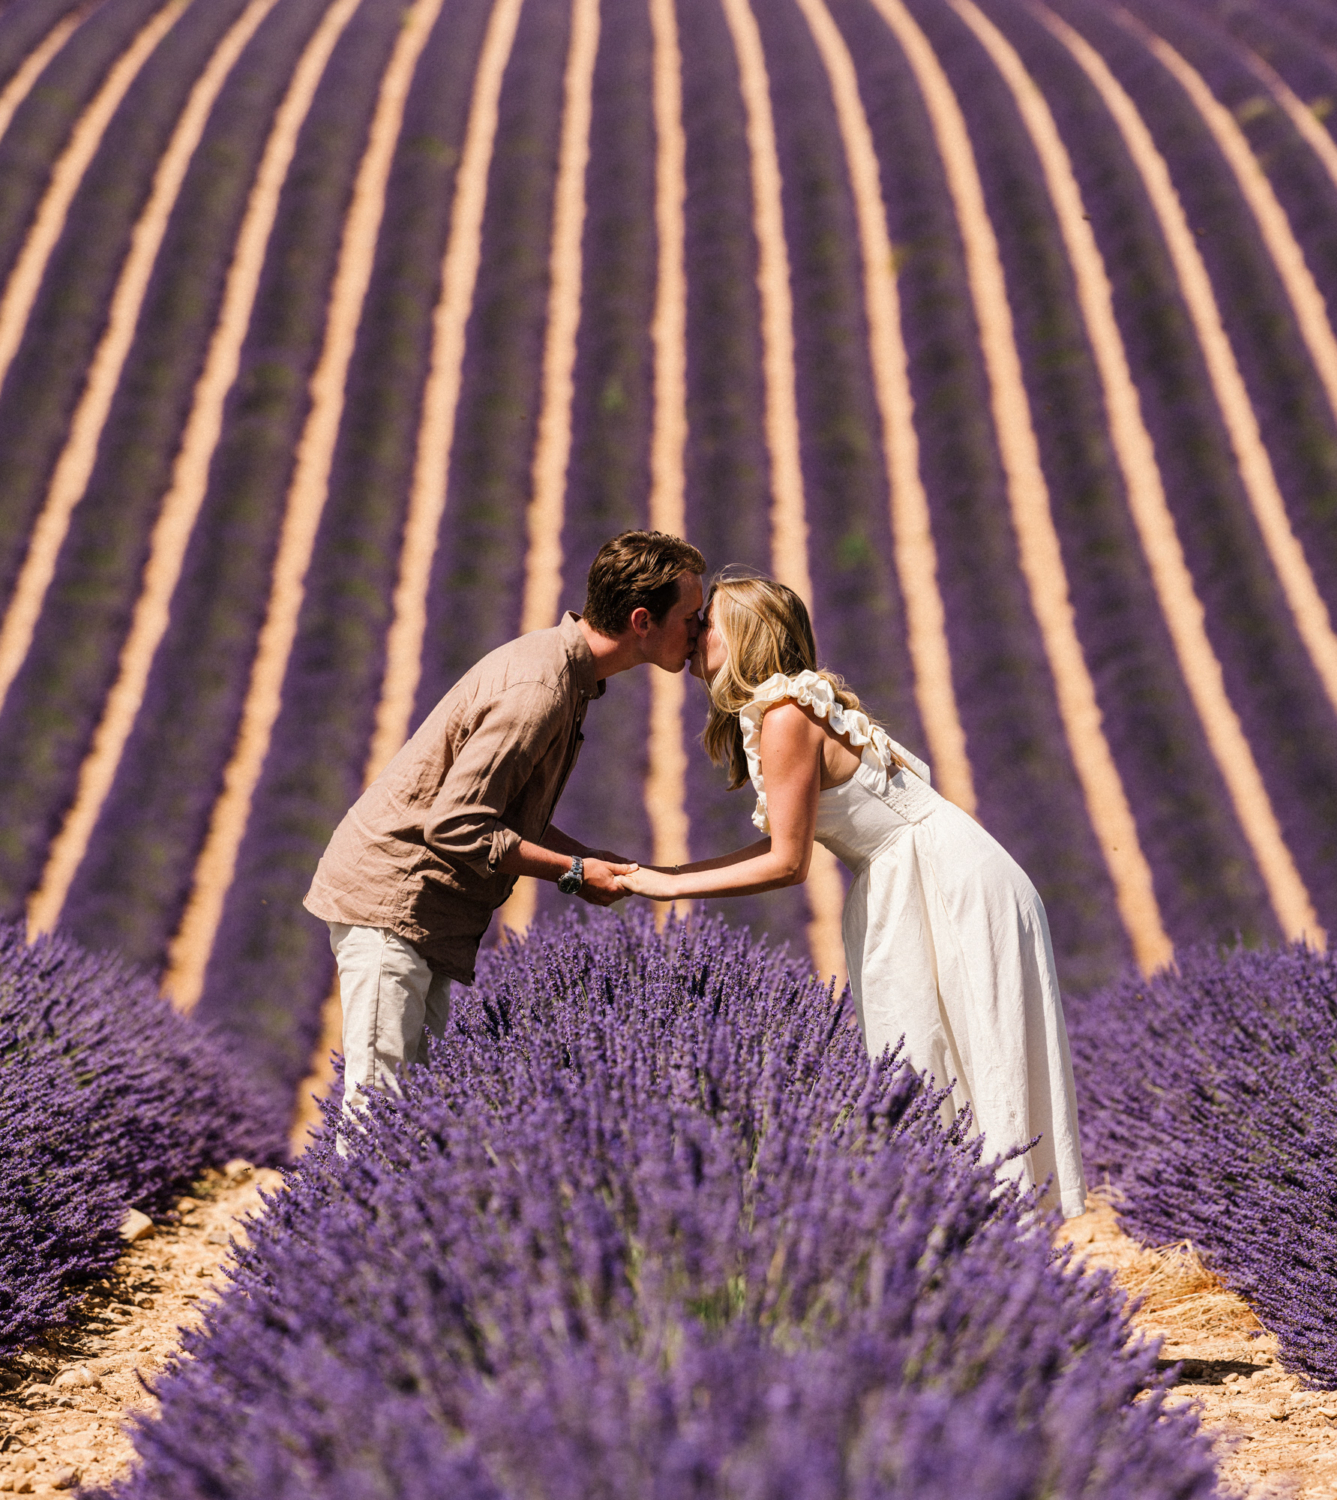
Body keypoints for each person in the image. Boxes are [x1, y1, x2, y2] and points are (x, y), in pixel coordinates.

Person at [617, 573, 1087, 1218]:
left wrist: (667, 885)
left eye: (709, 622)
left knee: (955, 1058)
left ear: (747, 634)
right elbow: (790, 841)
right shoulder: (788, 708)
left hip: (941, 881)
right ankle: (977, 1235)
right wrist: (668, 872)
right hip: (919, 874)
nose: (694, 633)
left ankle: (998, 1238)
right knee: (931, 1059)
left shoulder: (785, 714)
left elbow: (786, 862)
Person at [305, 530, 705, 1117]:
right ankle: (349, 1209)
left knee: (412, 1110)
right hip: (393, 902)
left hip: (427, 915)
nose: (699, 631)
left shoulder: (566, 677)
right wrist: (573, 873)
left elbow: (512, 816)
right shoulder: (540, 690)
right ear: (642, 620)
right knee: (378, 1110)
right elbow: (458, 825)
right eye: (692, 617)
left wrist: (594, 859)